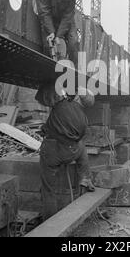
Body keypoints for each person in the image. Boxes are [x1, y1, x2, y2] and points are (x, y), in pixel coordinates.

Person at [35, 83, 95, 221]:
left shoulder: (61, 104)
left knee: (48, 188)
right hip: (74, 151)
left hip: (54, 153)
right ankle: (86, 178)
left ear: (77, 96)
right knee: (82, 147)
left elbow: (48, 97)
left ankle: (49, 221)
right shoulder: (82, 115)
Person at [37, 0, 78, 64]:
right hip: (49, 20)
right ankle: (49, 68)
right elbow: (45, 13)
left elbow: (67, 16)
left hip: (66, 20)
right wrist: (51, 32)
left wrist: (59, 35)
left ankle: (73, 69)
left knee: (73, 42)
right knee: (47, 46)